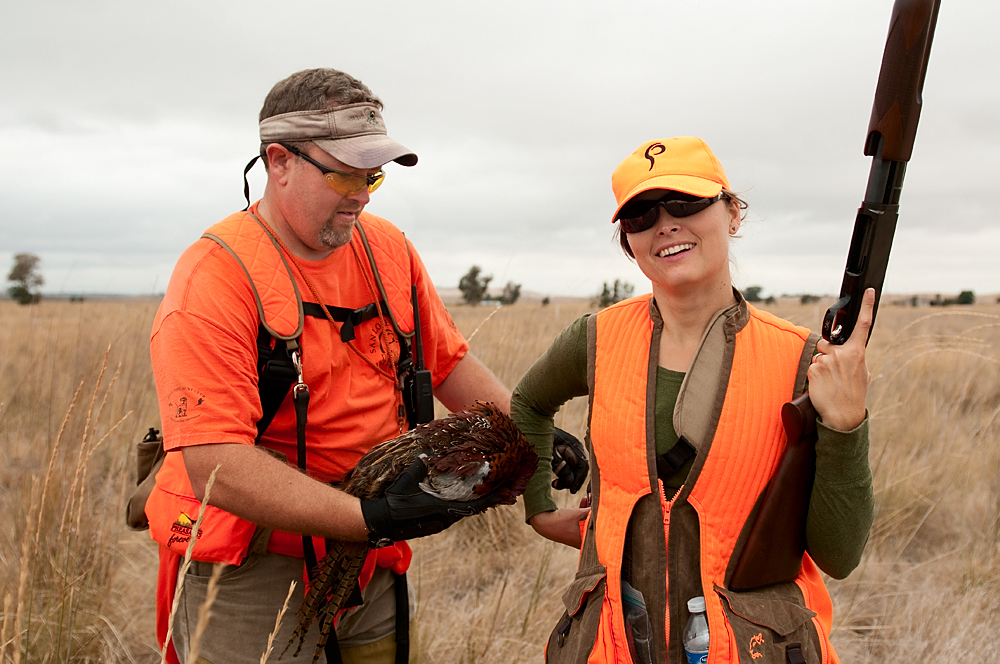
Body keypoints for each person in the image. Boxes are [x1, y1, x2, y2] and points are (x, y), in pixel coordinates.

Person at [144, 68, 511, 664]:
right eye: (343, 173)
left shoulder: (387, 248)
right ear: (278, 162)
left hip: (369, 555)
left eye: (373, 176)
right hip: (250, 566)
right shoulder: (215, 277)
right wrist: (369, 516)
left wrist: (524, 440)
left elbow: (449, 366)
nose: (362, 193)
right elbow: (216, 463)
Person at [511, 137, 874, 664]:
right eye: (640, 215)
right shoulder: (595, 338)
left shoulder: (805, 360)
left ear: (732, 214)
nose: (666, 223)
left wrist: (845, 422)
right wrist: (540, 508)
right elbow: (528, 401)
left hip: (748, 647)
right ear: (628, 242)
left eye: (686, 202)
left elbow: (839, 554)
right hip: (612, 643)